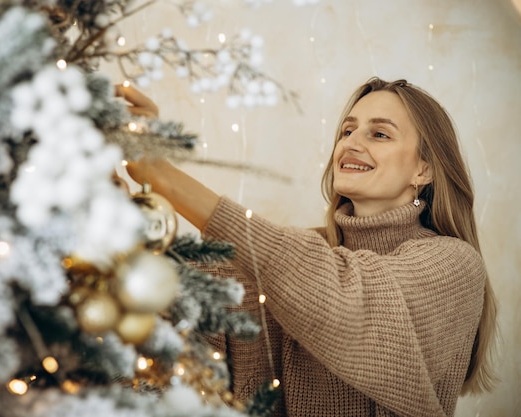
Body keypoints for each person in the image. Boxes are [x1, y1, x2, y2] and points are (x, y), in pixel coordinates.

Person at [121, 78, 498, 417]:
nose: (351, 142)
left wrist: (163, 175)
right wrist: (113, 232)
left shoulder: (454, 264)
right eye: (348, 130)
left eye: (379, 134)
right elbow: (172, 331)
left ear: (424, 170)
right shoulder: (286, 259)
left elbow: (342, 300)